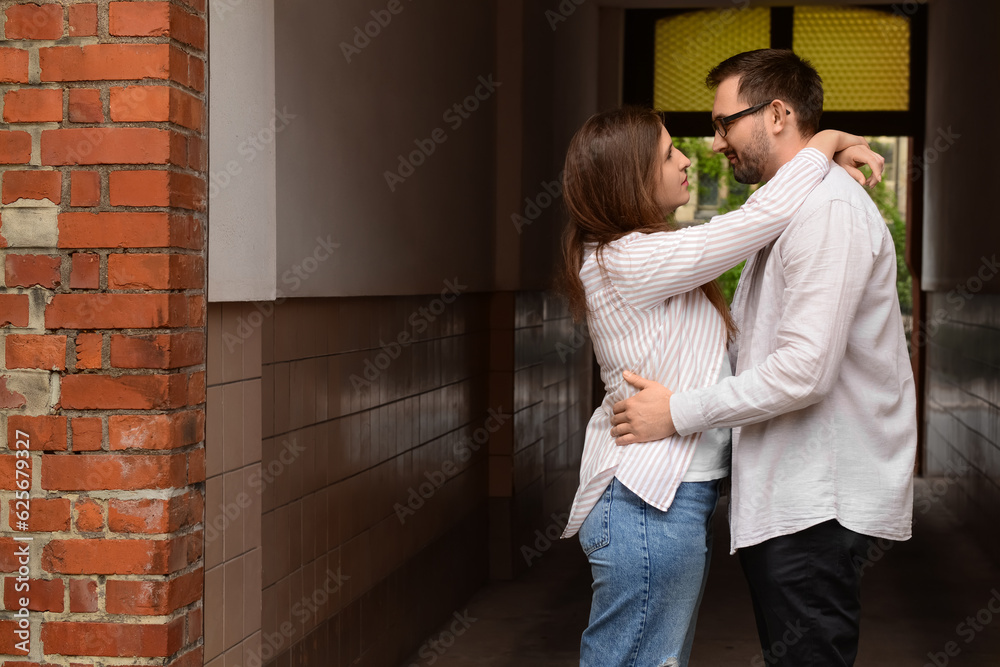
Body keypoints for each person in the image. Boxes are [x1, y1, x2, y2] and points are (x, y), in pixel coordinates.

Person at [609, 50, 917, 667]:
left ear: (776, 114)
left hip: (815, 499)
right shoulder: (785, 208)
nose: (714, 144)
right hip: (791, 495)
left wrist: (678, 413)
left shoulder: (825, 211)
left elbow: (803, 370)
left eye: (725, 123)